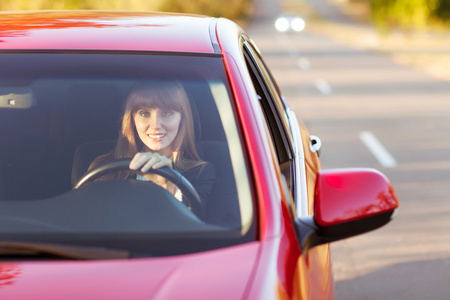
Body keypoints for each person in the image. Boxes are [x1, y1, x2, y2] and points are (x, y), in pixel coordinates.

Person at [88, 80, 215, 219]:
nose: (155, 125)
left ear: (182, 119)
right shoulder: (103, 167)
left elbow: (194, 231)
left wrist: (168, 187)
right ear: (132, 119)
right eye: (144, 113)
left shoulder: (200, 173)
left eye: (166, 114)